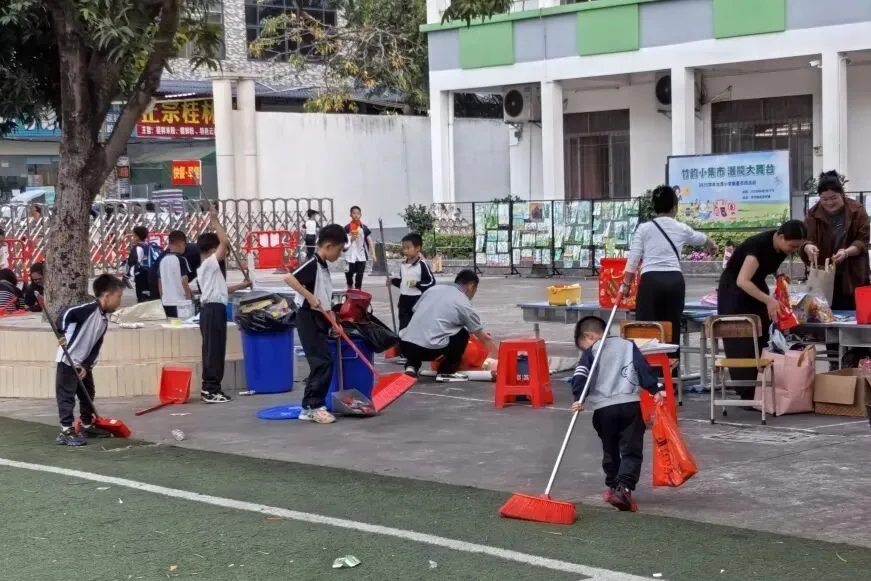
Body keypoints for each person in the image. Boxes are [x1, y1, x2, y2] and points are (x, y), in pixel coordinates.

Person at [570, 316, 664, 512]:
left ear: (590, 335)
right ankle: (625, 488)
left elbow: (580, 375)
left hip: (604, 409)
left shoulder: (591, 352)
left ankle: (613, 485)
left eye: (583, 345)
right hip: (629, 405)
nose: (584, 349)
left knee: (610, 447)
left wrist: (579, 398)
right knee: (631, 449)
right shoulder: (627, 345)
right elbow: (642, 368)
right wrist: (655, 389)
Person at [622, 186, 716, 359]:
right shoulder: (680, 228)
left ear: (654, 207)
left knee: (647, 329)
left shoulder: (644, 229)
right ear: (675, 207)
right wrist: (711, 243)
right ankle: (671, 378)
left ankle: (650, 376)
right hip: (674, 282)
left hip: (651, 282)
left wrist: (626, 285)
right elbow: (700, 238)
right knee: (672, 329)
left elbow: (633, 260)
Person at [717, 220, 808, 397]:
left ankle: (762, 387)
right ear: (780, 237)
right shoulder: (758, 247)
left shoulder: (780, 246)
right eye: (792, 246)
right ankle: (747, 391)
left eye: (798, 247)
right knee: (743, 341)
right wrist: (768, 300)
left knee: (764, 334)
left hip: (756, 286)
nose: (793, 250)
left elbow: (766, 266)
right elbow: (742, 280)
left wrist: (778, 276)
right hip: (736, 292)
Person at [284, 224, 348, 424]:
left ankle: (314, 404)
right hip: (307, 317)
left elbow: (324, 298)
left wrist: (334, 322)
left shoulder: (323, 267)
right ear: (328, 246)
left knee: (324, 362)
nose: (339, 254)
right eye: (338, 250)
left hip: (320, 317)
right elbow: (289, 278)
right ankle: (311, 406)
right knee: (320, 362)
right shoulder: (312, 263)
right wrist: (309, 296)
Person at [54, 274, 125, 446]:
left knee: (88, 392)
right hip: (68, 360)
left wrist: (86, 365)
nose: (119, 302)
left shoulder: (103, 321)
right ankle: (66, 431)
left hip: (82, 363)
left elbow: (95, 347)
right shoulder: (88, 309)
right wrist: (60, 331)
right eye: (118, 297)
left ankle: (86, 425)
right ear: (107, 296)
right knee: (67, 395)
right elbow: (65, 314)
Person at [399, 269, 498, 382]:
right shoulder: (463, 302)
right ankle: (446, 372)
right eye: (475, 290)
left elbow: (416, 310)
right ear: (471, 286)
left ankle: (411, 367)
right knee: (462, 334)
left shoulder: (432, 290)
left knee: (419, 329)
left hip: (405, 346)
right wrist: (500, 358)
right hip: (430, 349)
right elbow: (483, 338)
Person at [197, 210, 252, 404]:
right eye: (220, 251)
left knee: (216, 349)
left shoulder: (210, 270)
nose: (225, 254)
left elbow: (222, 290)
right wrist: (215, 221)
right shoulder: (209, 264)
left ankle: (212, 387)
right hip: (212, 311)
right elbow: (225, 242)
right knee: (213, 350)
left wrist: (241, 286)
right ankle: (210, 389)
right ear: (212, 250)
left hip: (214, 308)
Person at [802, 171, 870, 310]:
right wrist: (808, 247)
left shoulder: (856, 210)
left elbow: (862, 241)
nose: (829, 203)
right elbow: (806, 239)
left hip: (851, 273)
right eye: (824, 199)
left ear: (842, 194)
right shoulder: (813, 214)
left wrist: (846, 252)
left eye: (833, 198)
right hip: (823, 274)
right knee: (823, 313)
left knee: (852, 314)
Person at [387, 232, 435, 330]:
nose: (405, 250)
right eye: (404, 248)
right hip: (404, 300)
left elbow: (431, 282)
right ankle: (403, 342)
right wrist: (393, 281)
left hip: (417, 300)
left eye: (408, 248)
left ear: (417, 248)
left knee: (416, 326)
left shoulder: (422, 265)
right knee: (404, 326)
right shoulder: (403, 265)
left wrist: (417, 284)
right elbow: (403, 283)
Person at [155, 230, 193, 318]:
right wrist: (189, 300)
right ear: (181, 244)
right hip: (180, 303)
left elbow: (160, 283)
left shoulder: (162, 260)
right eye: (185, 245)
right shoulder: (182, 260)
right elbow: (184, 283)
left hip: (166, 302)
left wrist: (163, 298)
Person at [126, 226, 161, 303]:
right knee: (150, 296)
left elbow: (134, 262)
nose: (133, 238)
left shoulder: (137, 248)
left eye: (134, 236)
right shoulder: (148, 246)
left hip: (141, 276)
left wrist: (130, 276)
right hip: (151, 274)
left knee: (142, 297)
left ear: (137, 237)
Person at [343, 206, 375, 290]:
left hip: (361, 256)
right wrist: (351, 239)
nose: (356, 215)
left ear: (360, 215)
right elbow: (344, 242)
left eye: (358, 213)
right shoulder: (347, 228)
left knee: (360, 275)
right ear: (351, 215)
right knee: (349, 274)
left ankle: (358, 290)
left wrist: (373, 253)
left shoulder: (363, 228)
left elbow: (369, 241)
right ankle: (349, 289)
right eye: (354, 213)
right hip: (350, 256)